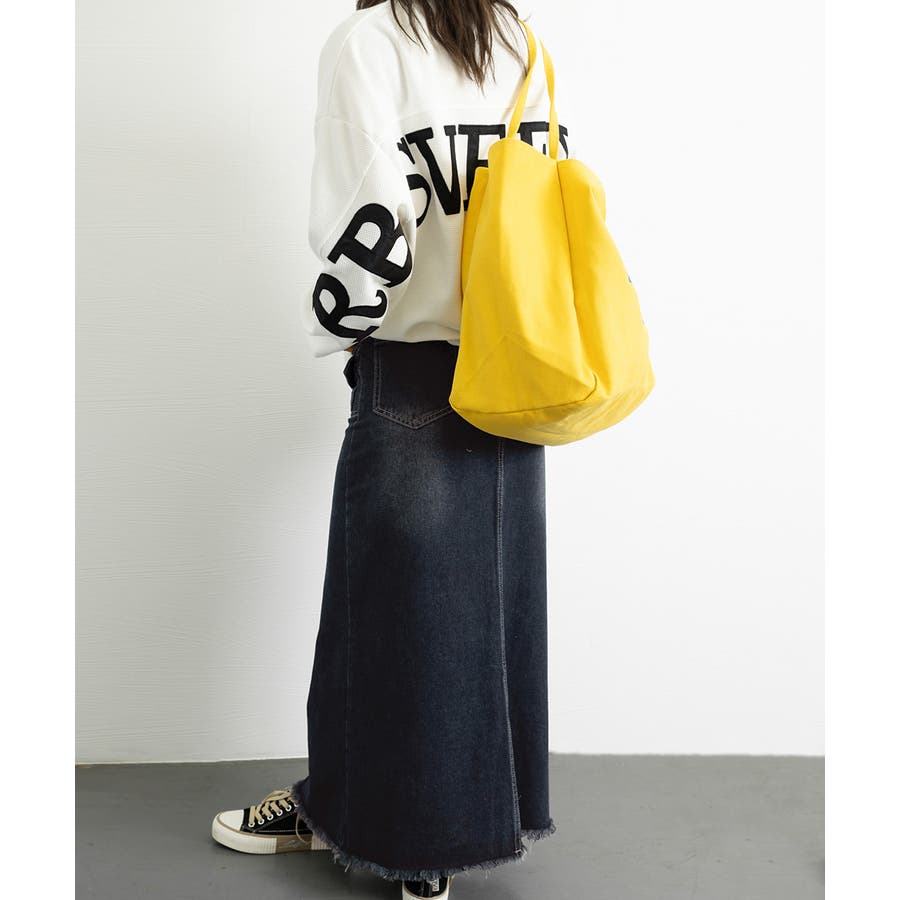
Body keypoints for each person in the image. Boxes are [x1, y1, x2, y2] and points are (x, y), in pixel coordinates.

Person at [211, 2, 574, 897]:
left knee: (388, 613)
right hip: (516, 356)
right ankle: (434, 814)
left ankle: (416, 848)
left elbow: (369, 216)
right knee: (490, 606)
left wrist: (341, 330)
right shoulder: (516, 38)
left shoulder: (368, 44)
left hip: (414, 364)